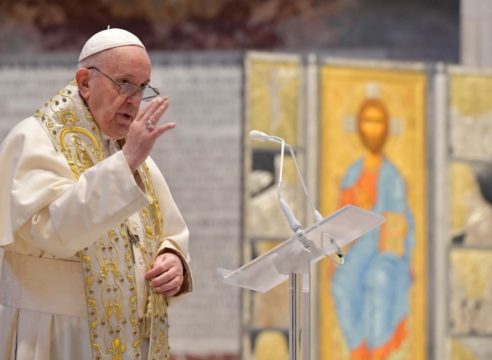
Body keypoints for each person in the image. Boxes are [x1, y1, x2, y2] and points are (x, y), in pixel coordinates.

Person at [0, 27, 192, 360]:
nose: (135, 98)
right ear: (85, 81)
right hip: (56, 333)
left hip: (129, 330)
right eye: (125, 83)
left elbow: (168, 229)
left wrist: (172, 258)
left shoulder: (123, 148)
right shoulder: (35, 139)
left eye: (143, 86)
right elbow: (53, 232)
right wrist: (126, 161)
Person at [330, 97, 414, 359]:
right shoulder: (353, 174)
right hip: (359, 249)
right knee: (341, 283)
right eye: (367, 121)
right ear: (358, 127)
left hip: (386, 252)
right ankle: (359, 350)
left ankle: (378, 352)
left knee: (377, 280)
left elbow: (399, 223)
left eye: (378, 121)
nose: (372, 128)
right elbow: (341, 224)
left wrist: (374, 212)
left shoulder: (392, 176)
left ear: (387, 128)